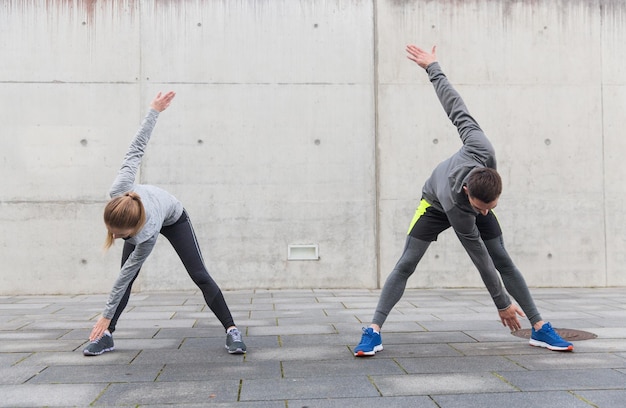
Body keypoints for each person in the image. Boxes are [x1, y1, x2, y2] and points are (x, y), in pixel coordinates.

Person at [353, 45, 573, 357]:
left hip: (465, 198)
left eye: (491, 207)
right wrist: (502, 304)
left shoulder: (481, 148)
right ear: (469, 192)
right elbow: (479, 258)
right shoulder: (458, 206)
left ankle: (540, 327)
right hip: (435, 203)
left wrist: (433, 67)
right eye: (482, 208)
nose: (486, 213)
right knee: (406, 263)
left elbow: (456, 107)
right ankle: (373, 330)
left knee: (505, 258)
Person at [84, 91, 246, 356]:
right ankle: (107, 336)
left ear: (134, 230)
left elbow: (122, 277)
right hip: (144, 212)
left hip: (174, 217)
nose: (114, 237)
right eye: (112, 231)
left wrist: (104, 314)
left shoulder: (145, 236)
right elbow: (136, 148)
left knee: (199, 274)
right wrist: (154, 110)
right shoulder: (119, 188)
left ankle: (232, 330)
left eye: (120, 235)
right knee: (128, 278)